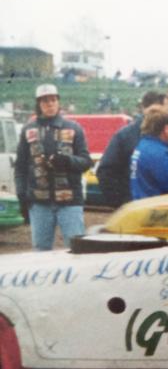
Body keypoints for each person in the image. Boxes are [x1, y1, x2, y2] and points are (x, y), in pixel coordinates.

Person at [14, 84, 92, 250]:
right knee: (41, 251)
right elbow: (20, 166)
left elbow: (86, 162)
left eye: (53, 100)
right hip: (39, 203)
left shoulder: (74, 128)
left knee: (77, 248)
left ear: (58, 102)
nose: (49, 104)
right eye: (44, 101)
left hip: (70, 202)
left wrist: (67, 161)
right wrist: (22, 196)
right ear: (38, 104)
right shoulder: (28, 130)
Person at [97, 91, 168, 209]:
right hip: (135, 210)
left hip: (163, 211)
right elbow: (106, 171)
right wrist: (122, 203)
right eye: (166, 110)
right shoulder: (125, 136)